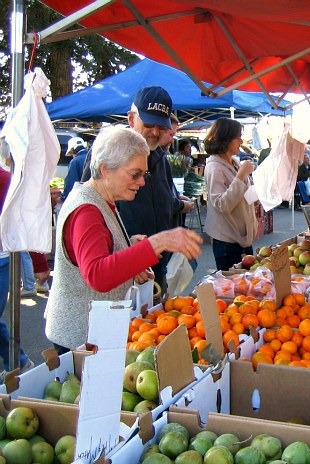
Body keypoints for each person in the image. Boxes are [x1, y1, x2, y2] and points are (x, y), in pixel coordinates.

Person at [45, 126, 203, 354]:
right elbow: (97, 275)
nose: (142, 182)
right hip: (79, 339)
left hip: (91, 335)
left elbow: (97, 249)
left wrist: (128, 246)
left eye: (144, 174)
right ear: (105, 169)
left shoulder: (102, 199)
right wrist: (158, 243)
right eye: (135, 174)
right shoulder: (86, 210)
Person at [113, 86, 193, 294]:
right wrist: (126, 248)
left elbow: (167, 201)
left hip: (157, 268)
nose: (156, 132)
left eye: (161, 126)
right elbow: (93, 214)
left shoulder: (160, 159)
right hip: (123, 271)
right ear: (131, 119)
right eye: (149, 124)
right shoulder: (110, 156)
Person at [202, 118, 258, 271]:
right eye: (238, 136)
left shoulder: (234, 162)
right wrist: (241, 176)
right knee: (234, 289)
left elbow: (243, 194)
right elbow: (222, 204)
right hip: (227, 242)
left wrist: (258, 194)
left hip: (242, 240)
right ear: (226, 139)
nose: (241, 140)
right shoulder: (214, 168)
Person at [0, 160, 34, 379]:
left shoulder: (4, 179)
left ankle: (19, 362)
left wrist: (39, 262)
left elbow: (26, 219)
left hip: (2, 258)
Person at [61, 137, 88, 201]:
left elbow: (71, 183)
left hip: (81, 198)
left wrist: (64, 198)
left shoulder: (75, 161)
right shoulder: (93, 157)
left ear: (73, 150)